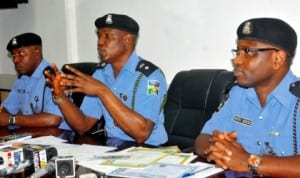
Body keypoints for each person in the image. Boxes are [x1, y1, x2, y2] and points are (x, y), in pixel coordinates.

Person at [194, 17, 300, 177]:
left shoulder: (296, 100)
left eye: (248, 52)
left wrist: (249, 161)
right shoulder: (238, 93)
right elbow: (203, 139)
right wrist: (219, 149)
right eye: (238, 51)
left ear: (277, 59)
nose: (237, 60)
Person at [45, 13, 168, 147]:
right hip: (115, 149)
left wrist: (101, 91)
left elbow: (142, 134)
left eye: (107, 36)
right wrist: (61, 97)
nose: (100, 43)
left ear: (127, 39)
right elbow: (83, 125)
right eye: (99, 36)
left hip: (149, 151)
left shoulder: (151, 77)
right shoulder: (101, 74)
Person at [0, 32, 66, 129]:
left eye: (21, 53)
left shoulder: (53, 77)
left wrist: (12, 119)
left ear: (36, 53)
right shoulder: (22, 79)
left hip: (59, 137)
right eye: (13, 55)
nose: (16, 60)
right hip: (31, 136)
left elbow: (53, 119)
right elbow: (6, 110)